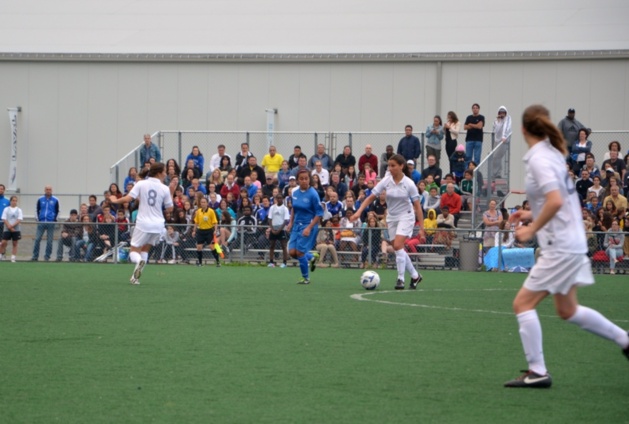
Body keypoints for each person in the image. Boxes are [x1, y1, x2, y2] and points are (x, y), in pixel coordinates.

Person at [503, 104, 629, 389]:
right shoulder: (553, 155)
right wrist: (530, 213)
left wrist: (532, 227)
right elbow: (558, 201)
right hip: (570, 241)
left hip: (560, 246)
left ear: (523, 130)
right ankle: (625, 340)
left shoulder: (539, 158)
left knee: (522, 304)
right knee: (568, 309)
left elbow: (557, 201)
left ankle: (538, 371)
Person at [351, 154, 424, 290]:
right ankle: (415, 276)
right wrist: (359, 212)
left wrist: (422, 228)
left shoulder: (409, 183)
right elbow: (371, 197)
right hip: (392, 217)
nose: (390, 168)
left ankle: (400, 279)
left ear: (401, 166)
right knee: (398, 248)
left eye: (393, 166)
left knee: (397, 246)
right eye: (389, 166)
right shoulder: (386, 181)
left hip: (406, 216)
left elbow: (418, 206)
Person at [109, 163, 176, 285]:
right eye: (165, 171)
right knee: (145, 249)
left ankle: (139, 262)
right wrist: (171, 192)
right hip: (158, 225)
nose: (166, 174)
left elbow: (128, 199)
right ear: (159, 173)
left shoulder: (141, 184)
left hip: (143, 223)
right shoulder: (165, 188)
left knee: (133, 251)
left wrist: (114, 200)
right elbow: (170, 209)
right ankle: (135, 278)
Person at [287, 169, 323, 284]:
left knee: (299, 253)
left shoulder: (313, 194)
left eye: (306, 178)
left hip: (308, 225)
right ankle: (311, 257)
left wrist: (309, 228)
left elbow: (319, 213)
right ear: (297, 180)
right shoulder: (295, 192)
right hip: (296, 225)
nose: (304, 181)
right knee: (292, 252)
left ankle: (305, 278)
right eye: (301, 179)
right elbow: (294, 208)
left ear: (309, 179)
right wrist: (290, 222)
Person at [31, 185, 60, 261]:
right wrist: (38, 219)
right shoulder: (40, 199)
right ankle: (35, 256)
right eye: (47, 189)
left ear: (51, 190)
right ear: (44, 190)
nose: (48, 190)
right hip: (41, 222)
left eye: (49, 189)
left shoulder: (55, 200)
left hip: (51, 222)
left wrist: (55, 220)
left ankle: (47, 257)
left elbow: (58, 211)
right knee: (37, 239)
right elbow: (36, 209)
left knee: (49, 241)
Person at [192, 197, 221, 267]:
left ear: (207, 203)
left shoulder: (211, 211)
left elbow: (215, 222)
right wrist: (194, 231)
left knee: (212, 247)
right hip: (201, 231)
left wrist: (215, 230)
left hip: (209, 231)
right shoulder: (198, 211)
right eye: (202, 202)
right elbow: (196, 222)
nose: (203, 204)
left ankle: (218, 261)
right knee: (199, 247)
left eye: (204, 202)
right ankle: (200, 262)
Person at [268, 194, 290, 268]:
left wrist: (279, 230)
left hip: (281, 228)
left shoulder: (285, 208)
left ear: (283, 199)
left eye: (281, 198)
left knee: (283, 245)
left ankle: (284, 262)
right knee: (272, 245)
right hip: (274, 228)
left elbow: (285, 220)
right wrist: (272, 229)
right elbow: (270, 219)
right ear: (276, 199)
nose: (279, 199)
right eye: (278, 198)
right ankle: (271, 262)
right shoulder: (272, 207)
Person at [491, 106, 512, 178]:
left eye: (503, 112)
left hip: (503, 141)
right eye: (501, 112)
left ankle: (496, 173)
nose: (502, 114)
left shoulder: (508, 118)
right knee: (495, 157)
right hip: (497, 140)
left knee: (497, 156)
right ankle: (496, 173)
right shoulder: (496, 121)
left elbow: (507, 127)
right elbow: (495, 130)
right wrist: (499, 121)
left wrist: (504, 136)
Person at [0, 195, 22, 262]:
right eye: (13, 200)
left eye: (15, 201)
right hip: (7, 229)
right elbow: (4, 218)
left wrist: (12, 226)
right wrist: (9, 226)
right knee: (3, 242)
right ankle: (0, 255)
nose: (14, 202)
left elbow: (19, 219)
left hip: (16, 229)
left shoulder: (19, 210)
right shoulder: (6, 209)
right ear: (10, 201)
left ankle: (13, 257)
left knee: (15, 243)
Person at [463, 103, 485, 168]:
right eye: (474, 108)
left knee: (477, 158)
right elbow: (465, 127)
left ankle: (476, 173)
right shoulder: (468, 117)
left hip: (478, 140)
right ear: (472, 109)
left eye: (476, 108)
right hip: (469, 140)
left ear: (479, 109)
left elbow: (479, 126)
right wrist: (475, 125)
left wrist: (471, 125)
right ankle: (467, 172)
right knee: (468, 157)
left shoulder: (481, 117)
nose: (475, 109)